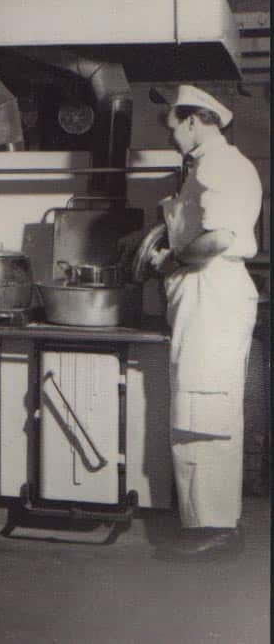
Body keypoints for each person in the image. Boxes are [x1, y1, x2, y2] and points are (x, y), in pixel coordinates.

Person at [150, 85, 262, 561]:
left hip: (209, 294)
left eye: (173, 124)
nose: (171, 134)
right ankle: (212, 522)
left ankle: (213, 529)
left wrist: (173, 259)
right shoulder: (208, 166)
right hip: (205, 297)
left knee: (203, 412)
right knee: (204, 411)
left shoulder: (220, 165)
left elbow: (218, 238)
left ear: (195, 120)